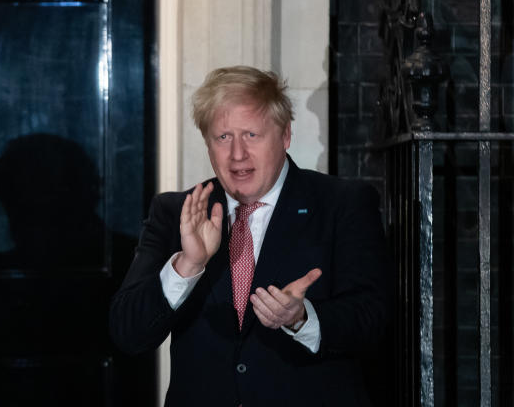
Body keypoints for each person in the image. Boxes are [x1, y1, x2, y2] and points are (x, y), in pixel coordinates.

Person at [109, 66, 391, 406]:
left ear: (285, 135)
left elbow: (375, 320)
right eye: (223, 137)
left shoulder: (342, 204)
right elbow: (128, 333)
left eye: (251, 135)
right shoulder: (176, 212)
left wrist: (303, 318)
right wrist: (187, 266)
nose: (237, 154)